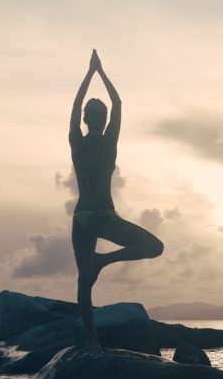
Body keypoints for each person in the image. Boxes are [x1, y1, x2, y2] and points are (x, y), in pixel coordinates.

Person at [69, 49, 163, 345]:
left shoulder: (75, 142)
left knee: (84, 281)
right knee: (154, 246)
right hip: (103, 216)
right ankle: (104, 261)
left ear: (85, 120)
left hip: (81, 218)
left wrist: (89, 73)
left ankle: (92, 340)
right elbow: (118, 102)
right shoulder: (110, 142)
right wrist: (101, 71)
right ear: (104, 120)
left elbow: (75, 104)